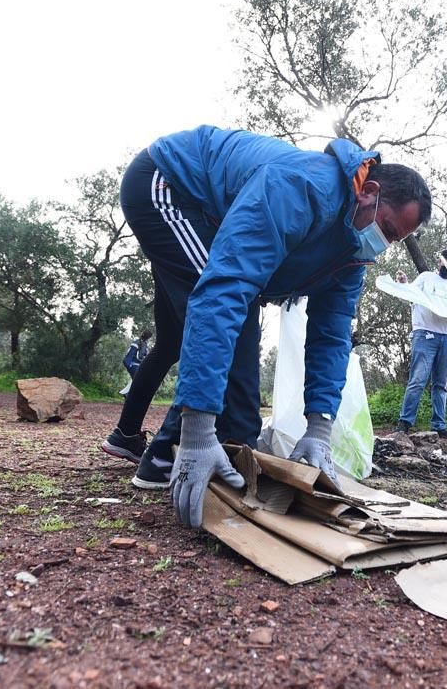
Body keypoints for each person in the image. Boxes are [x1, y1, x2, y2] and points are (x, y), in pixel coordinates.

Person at [98, 125, 430, 527]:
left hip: (210, 214)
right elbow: (225, 290)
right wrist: (201, 429)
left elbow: (331, 336)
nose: (384, 244)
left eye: (395, 240)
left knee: (173, 340)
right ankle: (205, 445)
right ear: (369, 191)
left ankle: (159, 454)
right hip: (168, 186)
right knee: (234, 319)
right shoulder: (301, 188)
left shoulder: (352, 255)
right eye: (388, 230)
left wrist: (319, 430)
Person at [392, 249, 447, 440]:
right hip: (425, 334)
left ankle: (439, 425)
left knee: (441, 384)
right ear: (440, 262)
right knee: (418, 380)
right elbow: (410, 294)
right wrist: (403, 284)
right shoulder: (426, 278)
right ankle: (405, 422)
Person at [117, 330, 152, 397]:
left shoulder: (144, 344)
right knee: (138, 379)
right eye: (149, 337)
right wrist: (129, 365)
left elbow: (145, 356)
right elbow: (130, 355)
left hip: (138, 366)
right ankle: (130, 395)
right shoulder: (137, 343)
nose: (148, 338)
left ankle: (127, 394)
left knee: (139, 379)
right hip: (132, 364)